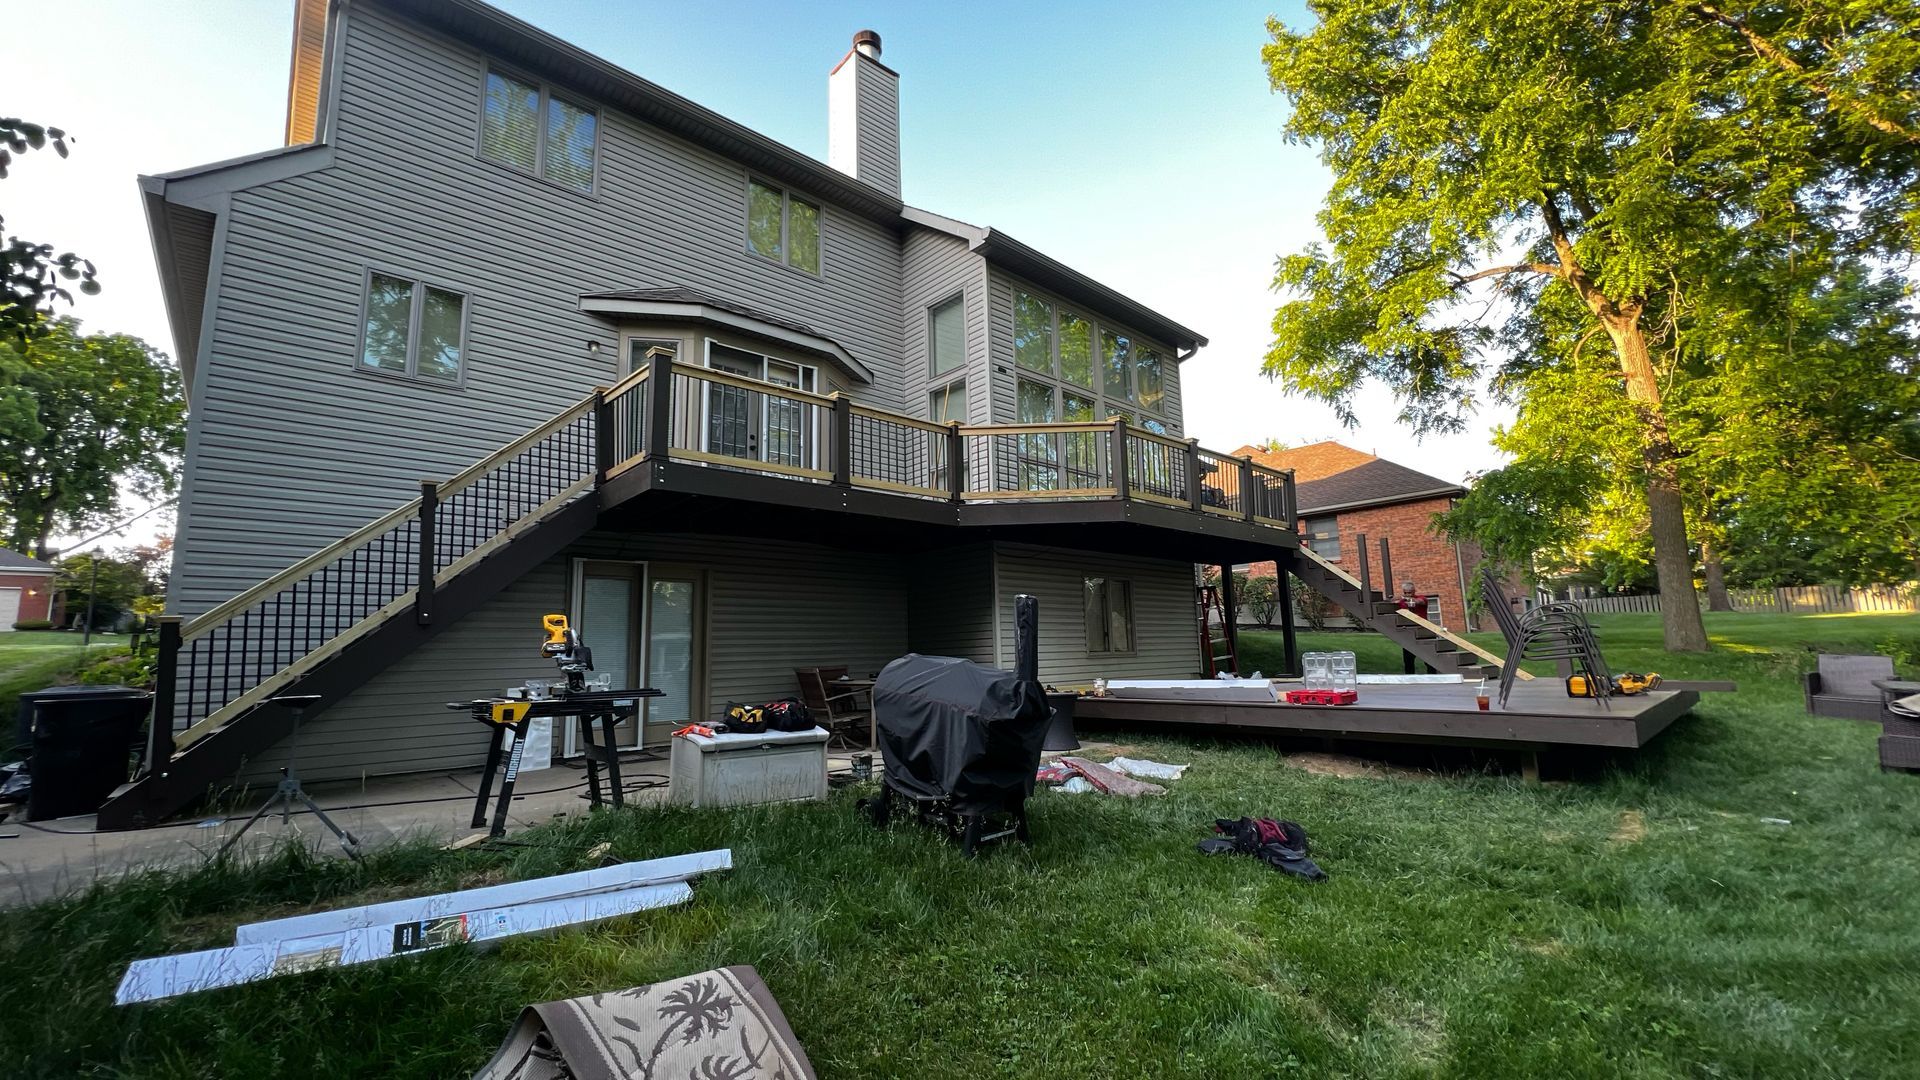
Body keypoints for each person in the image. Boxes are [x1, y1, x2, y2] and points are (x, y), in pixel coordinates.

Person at [1395, 580, 1433, 674]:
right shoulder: (1402, 602)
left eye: (1410, 592)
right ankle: (1410, 676)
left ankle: (1432, 675)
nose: (1408, 594)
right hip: (1408, 633)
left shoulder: (1421, 598)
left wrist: (1407, 599)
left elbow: (1420, 602)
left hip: (1423, 631)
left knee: (1429, 659)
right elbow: (1393, 602)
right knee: (1408, 660)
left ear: (1414, 591)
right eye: (1405, 592)